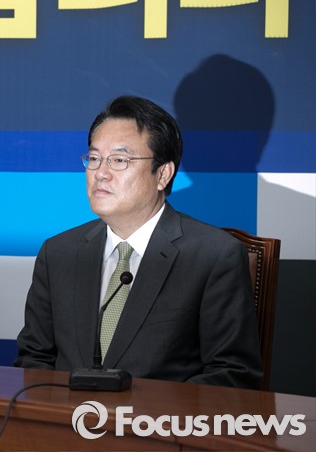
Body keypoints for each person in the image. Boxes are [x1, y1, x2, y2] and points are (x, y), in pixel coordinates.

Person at [14, 95, 263, 389]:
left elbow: (233, 374)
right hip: (67, 416)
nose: (100, 174)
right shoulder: (58, 253)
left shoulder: (212, 256)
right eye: (94, 159)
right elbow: (34, 360)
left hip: (159, 418)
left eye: (119, 160)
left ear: (163, 174)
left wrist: (145, 410)